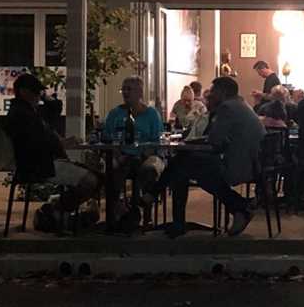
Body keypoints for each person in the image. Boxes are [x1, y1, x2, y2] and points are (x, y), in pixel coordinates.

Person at [145, 76, 266, 238]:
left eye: (213, 91)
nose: (210, 95)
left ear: (222, 92)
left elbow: (215, 140)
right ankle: (239, 206)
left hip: (239, 164)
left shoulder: (227, 108)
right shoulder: (241, 105)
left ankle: (161, 203)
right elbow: (219, 139)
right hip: (253, 162)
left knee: (183, 162)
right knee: (186, 165)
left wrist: (195, 141)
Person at [4, 74, 100, 213]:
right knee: (91, 181)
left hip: (44, 164)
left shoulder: (27, 111)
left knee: (96, 176)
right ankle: (56, 210)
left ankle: (57, 210)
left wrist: (44, 96)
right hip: (41, 167)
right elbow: (40, 143)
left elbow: (55, 108)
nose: (38, 95)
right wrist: (62, 144)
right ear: (23, 92)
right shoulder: (22, 115)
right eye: (36, 91)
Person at [103, 76, 165, 225]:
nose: (125, 92)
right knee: (112, 168)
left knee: (149, 169)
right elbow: (107, 138)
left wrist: (145, 153)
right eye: (123, 89)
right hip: (122, 154)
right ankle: (117, 210)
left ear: (139, 93)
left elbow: (157, 140)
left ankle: (147, 212)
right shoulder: (115, 113)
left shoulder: (151, 114)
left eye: (128, 89)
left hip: (145, 154)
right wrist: (117, 154)